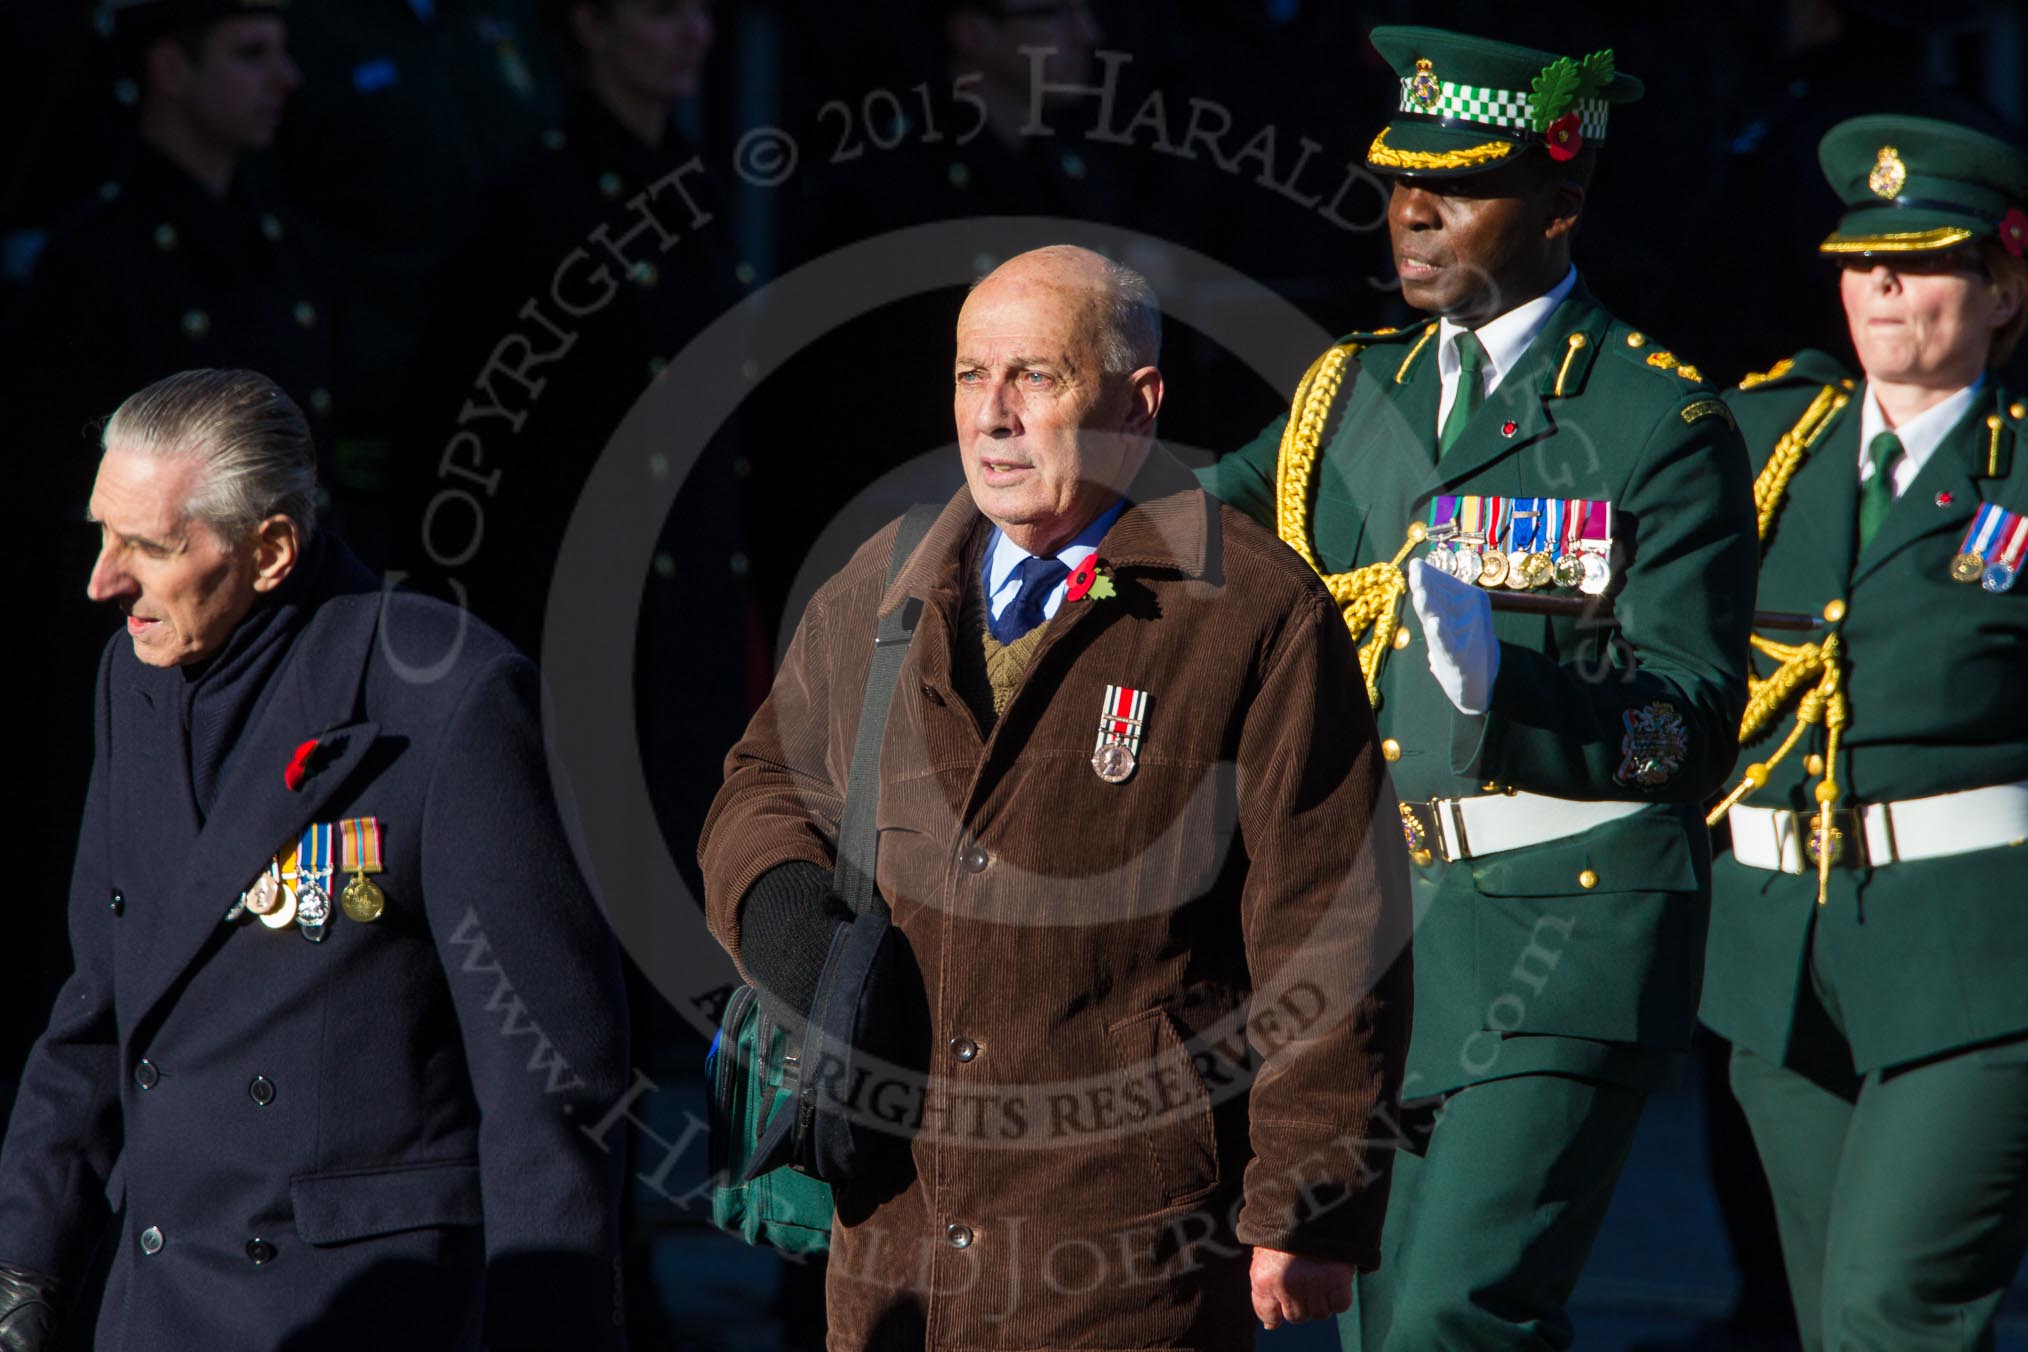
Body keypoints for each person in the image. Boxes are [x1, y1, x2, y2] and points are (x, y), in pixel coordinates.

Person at [699, 245, 1414, 1348]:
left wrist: (1308, 1200)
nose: (992, 414)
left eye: (1036, 375)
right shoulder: (882, 584)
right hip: (892, 1245)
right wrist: (794, 922)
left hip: (1127, 1252)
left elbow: (1332, 923)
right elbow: (762, 781)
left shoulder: (1253, 612)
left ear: (1139, 404)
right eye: (969, 374)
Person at [1199, 25, 1758, 1350]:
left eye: (1465, 183)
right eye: (1401, 179)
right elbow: (1190, 542)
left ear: (1563, 202)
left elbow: (1684, 728)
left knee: (1456, 1316)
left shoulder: (1652, 423)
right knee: (1373, 1321)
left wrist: (1507, 691)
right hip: (1380, 939)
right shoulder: (1349, 396)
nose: (1414, 211)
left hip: (1565, 925)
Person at [0, 370, 630, 1351]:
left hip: (359, 1309)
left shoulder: (444, 699)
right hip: (158, 1302)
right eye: (101, 532)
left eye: (149, 547)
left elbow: (549, 1090)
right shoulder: (134, 673)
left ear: (272, 550)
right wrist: (23, 1275)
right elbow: (96, 1013)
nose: (103, 580)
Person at [1699, 115, 2028, 1351]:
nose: (1883, 284)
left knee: (1897, 1309)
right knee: (1836, 1317)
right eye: (1862, 258)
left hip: (1978, 955)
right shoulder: (1762, 448)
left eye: (1926, 258)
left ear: (2003, 289)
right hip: (1782, 955)